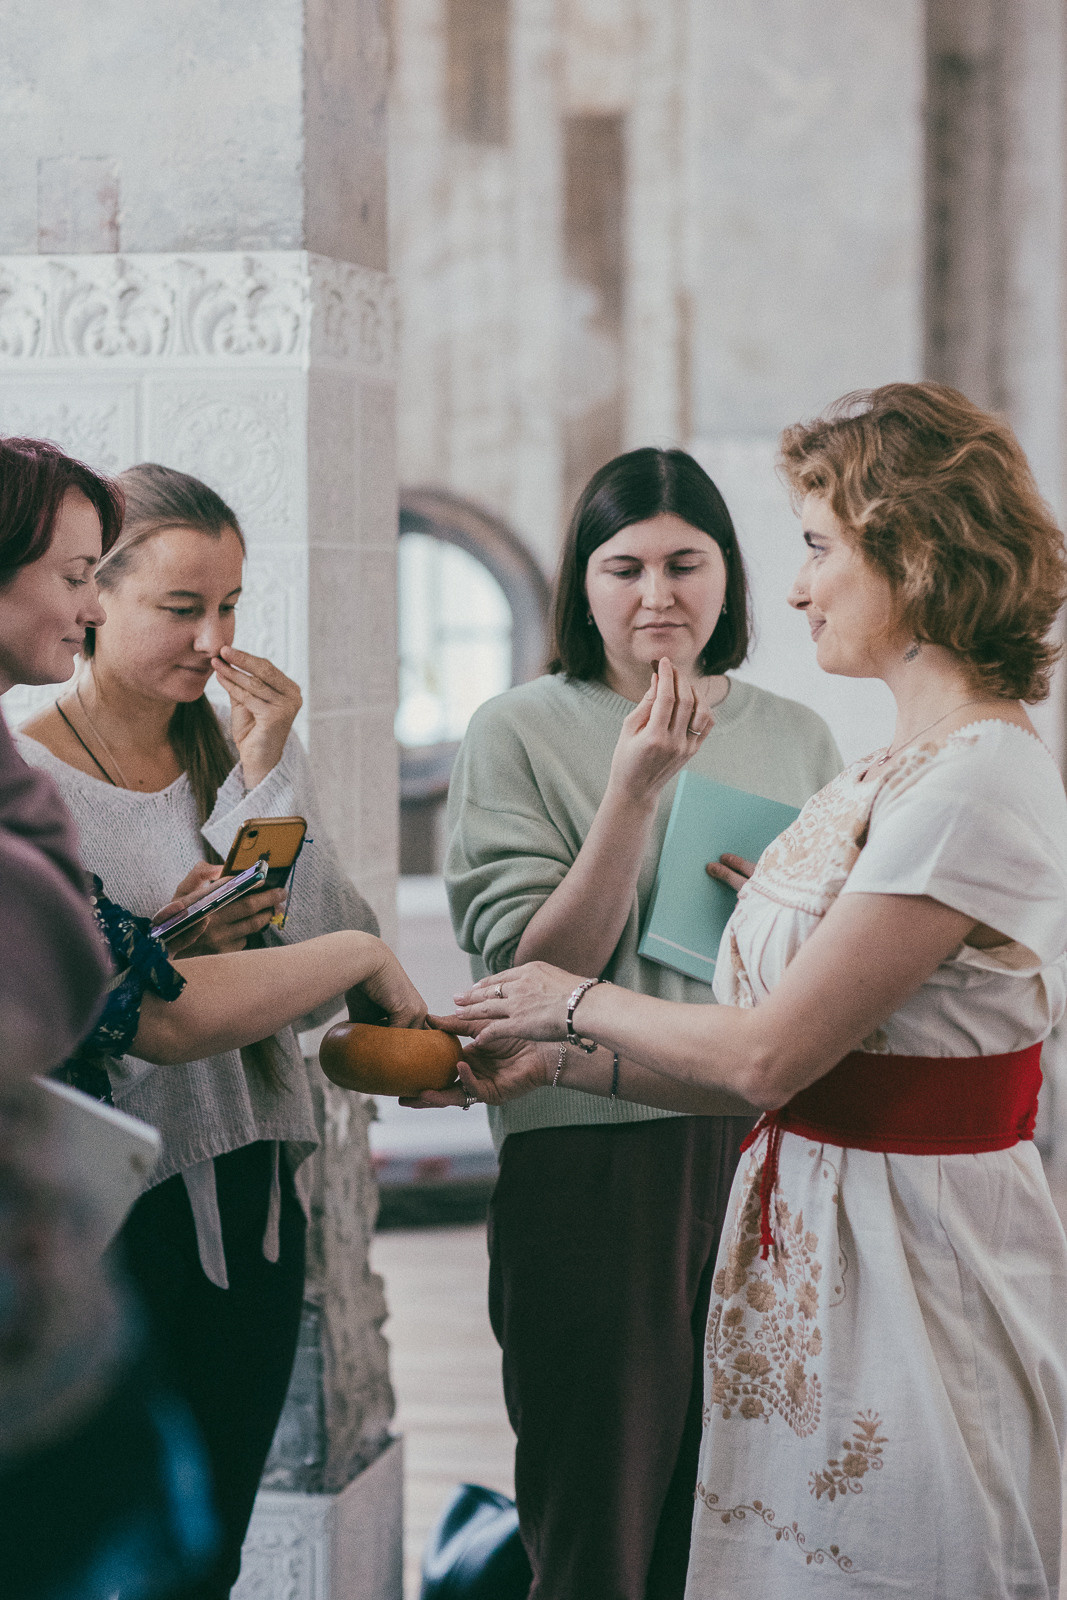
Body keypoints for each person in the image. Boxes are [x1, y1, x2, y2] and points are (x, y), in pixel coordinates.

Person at [435, 383, 1067, 1599]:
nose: (794, 587)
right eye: (623, 567)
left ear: (915, 556)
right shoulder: (903, 759)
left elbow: (769, 1056)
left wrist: (562, 1011)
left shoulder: (970, 777)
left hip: (905, 1250)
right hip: (815, 1224)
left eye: (818, 547)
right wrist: (557, 1060)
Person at [442, 448, 841, 1599]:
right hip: (584, 1148)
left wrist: (786, 907)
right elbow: (525, 976)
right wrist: (633, 791)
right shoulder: (514, 728)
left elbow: (828, 964)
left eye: (684, 561)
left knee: (748, 1506)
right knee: (595, 1515)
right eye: (623, 567)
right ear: (580, 583)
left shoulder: (797, 734)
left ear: (729, 578)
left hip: (764, 1142)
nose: (656, 593)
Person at [12, 456, 387, 1600]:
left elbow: (317, 951)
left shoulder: (236, 743)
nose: (212, 638)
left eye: (229, 605)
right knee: (121, 1538)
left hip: (257, 1179)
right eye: (181, 607)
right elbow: (148, 1012)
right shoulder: (31, 776)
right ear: (95, 601)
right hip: (123, 1197)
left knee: (214, 1528)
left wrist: (266, 777)